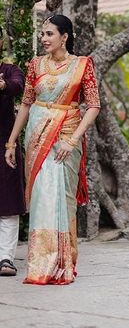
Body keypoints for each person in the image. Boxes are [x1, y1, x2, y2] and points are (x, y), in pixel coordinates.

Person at [5, 15, 100, 285]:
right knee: (42, 196)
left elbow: (93, 105)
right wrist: (12, 142)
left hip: (67, 135)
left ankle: (61, 263)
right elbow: (25, 104)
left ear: (64, 36)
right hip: (36, 137)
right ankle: (40, 263)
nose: (43, 38)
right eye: (42, 34)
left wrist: (72, 140)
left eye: (49, 34)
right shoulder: (35, 65)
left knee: (61, 196)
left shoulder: (83, 65)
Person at [0, 27, 25, 276]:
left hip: (5, 145)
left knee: (7, 203)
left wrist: (2, 84)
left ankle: (5, 259)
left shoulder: (10, 70)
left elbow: (17, 87)